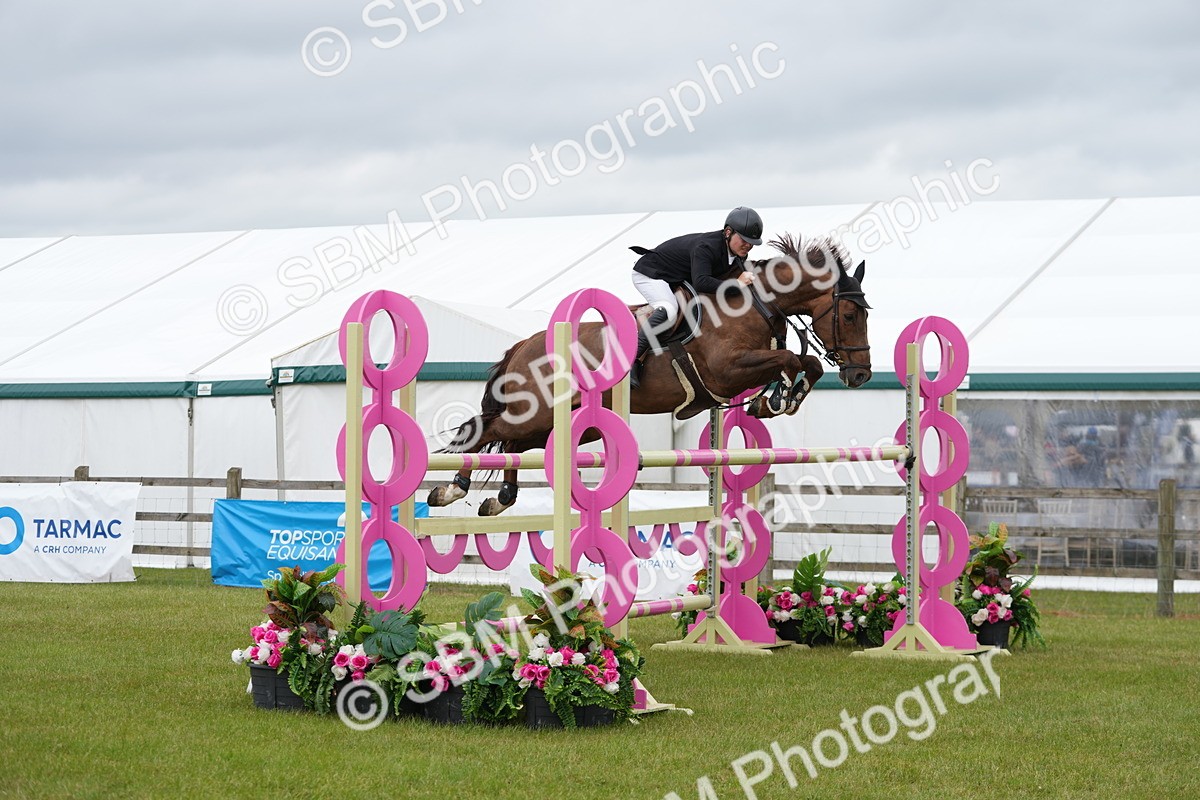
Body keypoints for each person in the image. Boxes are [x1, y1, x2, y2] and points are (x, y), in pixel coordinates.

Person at [627, 206, 764, 386]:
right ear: (728, 232)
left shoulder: (736, 255)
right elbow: (701, 282)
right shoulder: (706, 247)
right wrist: (736, 284)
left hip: (675, 278)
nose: (748, 245)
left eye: (752, 242)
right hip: (651, 273)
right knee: (669, 309)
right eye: (744, 240)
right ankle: (631, 360)